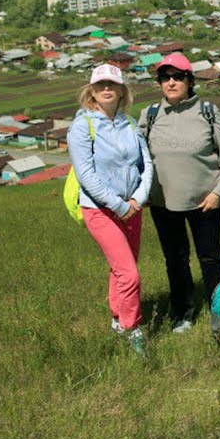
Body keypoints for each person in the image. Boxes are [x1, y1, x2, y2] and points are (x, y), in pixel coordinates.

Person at [138, 53, 220, 334]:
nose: (171, 82)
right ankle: (182, 311)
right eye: (165, 77)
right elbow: (137, 157)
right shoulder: (150, 115)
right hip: (162, 202)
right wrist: (140, 191)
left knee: (211, 259)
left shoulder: (207, 111)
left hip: (205, 201)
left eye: (178, 76)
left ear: (190, 80)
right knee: (175, 259)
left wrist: (219, 193)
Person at [68, 63, 153, 356]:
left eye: (112, 85)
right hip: (101, 211)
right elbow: (85, 175)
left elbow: (147, 164)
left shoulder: (130, 123)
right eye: (101, 85)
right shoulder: (83, 126)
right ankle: (134, 329)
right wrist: (118, 205)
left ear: (121, 91)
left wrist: (137, 200)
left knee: (120, 271)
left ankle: (118, 321)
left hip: (132, 207)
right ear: (91, 91)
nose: (107, 89)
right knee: (130, 274)